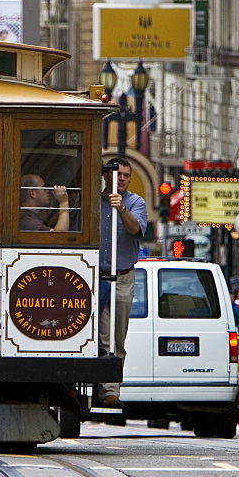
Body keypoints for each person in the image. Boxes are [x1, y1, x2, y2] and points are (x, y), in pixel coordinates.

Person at [97, 158, 147, 408]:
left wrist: (121, 210)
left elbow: (135, 229)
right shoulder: (94, 201)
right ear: (106, 175)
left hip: (123, 277)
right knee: (100, 335)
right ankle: (100, 386)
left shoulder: (135, 202)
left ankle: (111, 390)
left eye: (127, 175)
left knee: (117, 336)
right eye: (118, 174)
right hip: (96, 276)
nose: (123, 179)